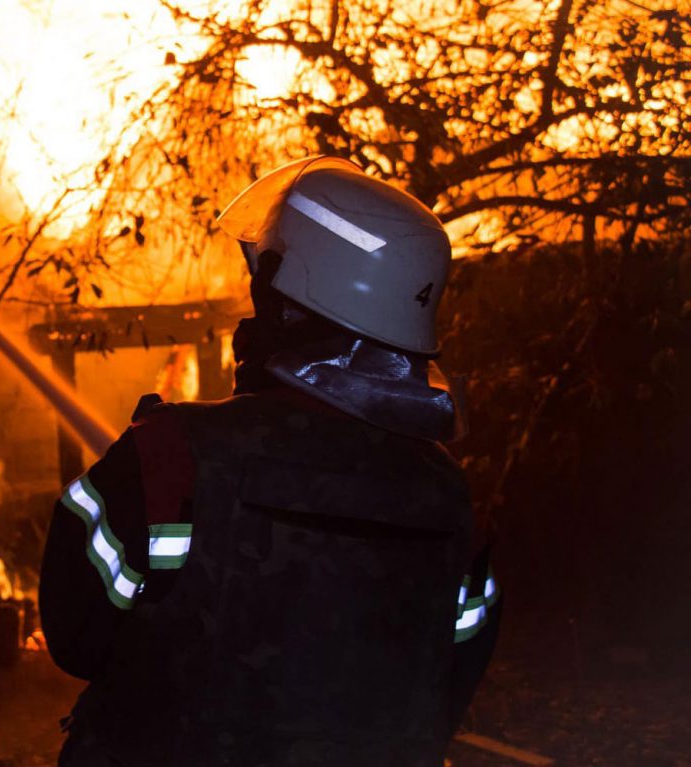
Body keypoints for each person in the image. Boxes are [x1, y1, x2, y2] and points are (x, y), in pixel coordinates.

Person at [39, 156, 501, 766]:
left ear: (283, 302)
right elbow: (451, 676)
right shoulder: (452, 499)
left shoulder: (171, 455)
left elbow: (75, 635)